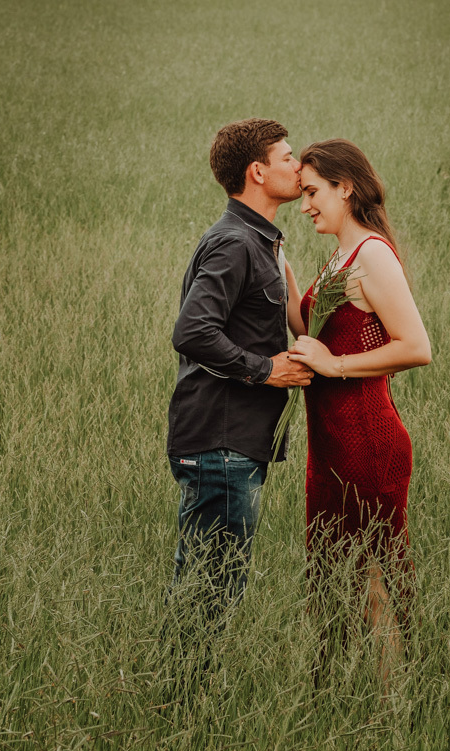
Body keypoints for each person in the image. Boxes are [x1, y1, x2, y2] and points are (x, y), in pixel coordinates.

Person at [287, 139, 431, 686]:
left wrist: (335, 364)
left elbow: (417, 346)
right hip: (328, 448)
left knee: (374, 582)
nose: (305, 206)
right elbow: (314, 340)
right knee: (331, 583)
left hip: (367, 443)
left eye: (313, 192)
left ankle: (398, 707)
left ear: (345, 187)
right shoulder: (340, 258)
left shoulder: (371, 253)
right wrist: (282, 276)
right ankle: (341, 700)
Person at [166, 118, 313, 630]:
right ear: (257, 171)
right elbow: (192, 332)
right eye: (288, 158)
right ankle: (182, 703)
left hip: (234, 444)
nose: (299, 166)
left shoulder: (259, 242)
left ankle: (185, 698)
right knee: (209, 591)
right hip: (220, 444)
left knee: (215, 587)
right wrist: (264, 370)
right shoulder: (235, 243)